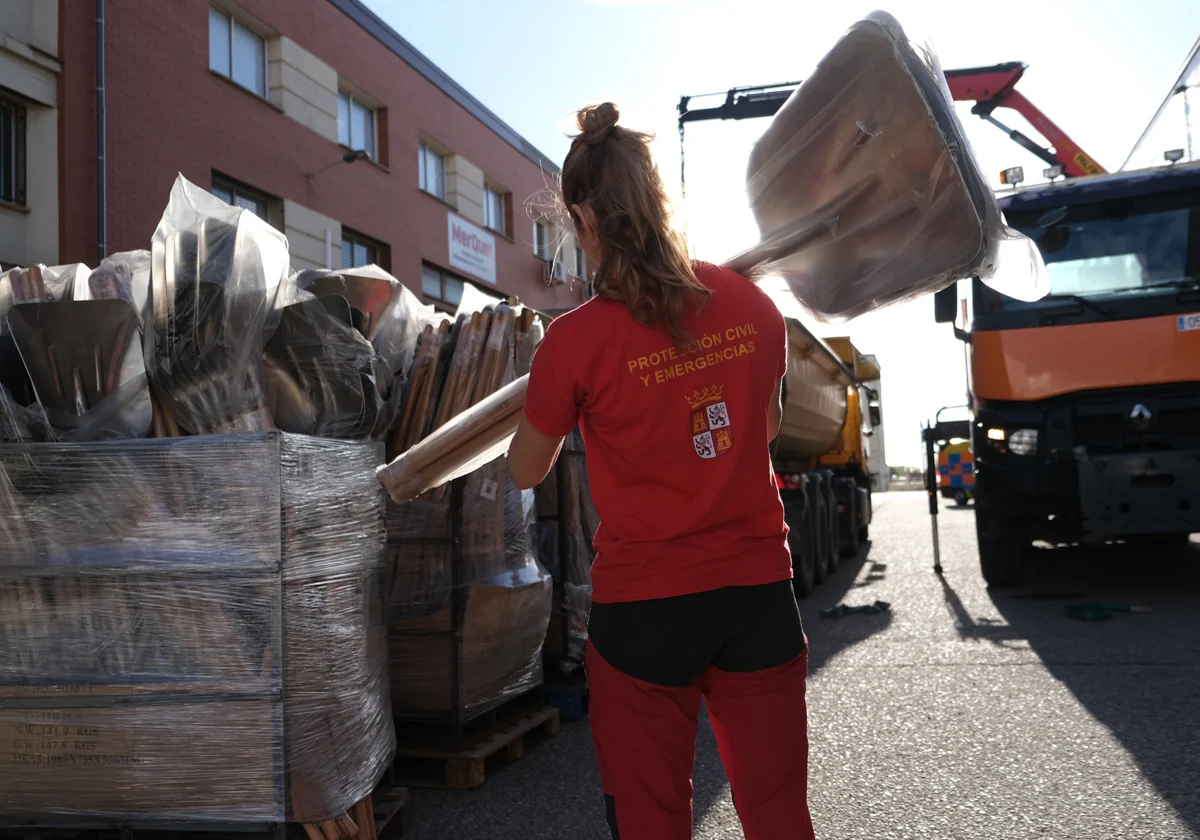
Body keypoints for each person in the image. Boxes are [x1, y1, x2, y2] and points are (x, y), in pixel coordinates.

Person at [508, 102, 814, 840]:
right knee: (777, 814)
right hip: (757, 596)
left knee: (650, 820)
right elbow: (763, 432)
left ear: (582, 218)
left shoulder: (572, 345)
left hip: (647, 611)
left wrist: (560, 397)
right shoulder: (752, 305)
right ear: (661, 198)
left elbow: (524, 469)